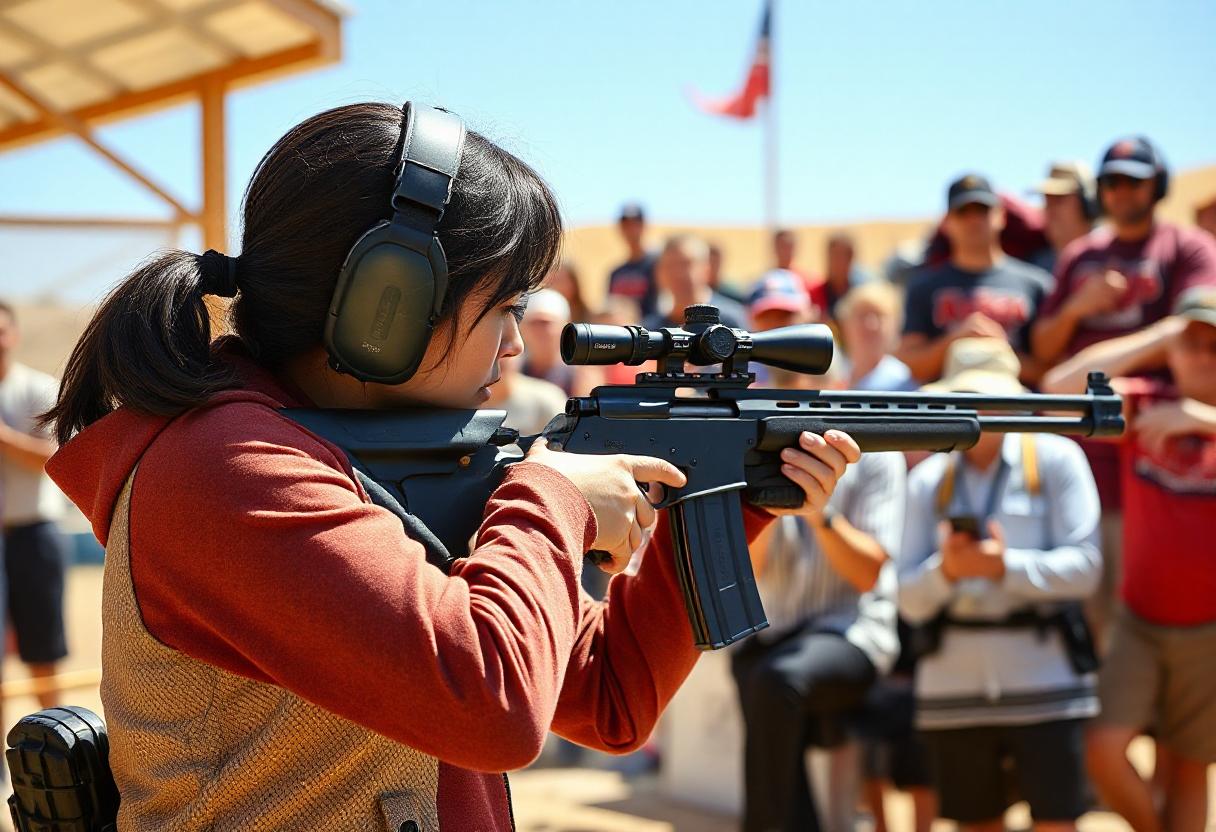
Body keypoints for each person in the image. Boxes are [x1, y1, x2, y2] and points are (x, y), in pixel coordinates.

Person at [40, 102, 860, 831]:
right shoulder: (225, 471)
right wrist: (548, 498)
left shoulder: (349, 461)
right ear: (384, 305)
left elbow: (611, 696)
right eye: (502, 308)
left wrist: (730, 497)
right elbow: (491, 704)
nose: (512, 344)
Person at [898, 338, 1102, 832]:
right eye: (964, 399)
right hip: (954, 687)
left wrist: (1001, 566)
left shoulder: (1057, 459)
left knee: (1056, 821)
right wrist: (947, 572)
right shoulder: (928, 480)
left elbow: (1087, 569)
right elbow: (904, 599)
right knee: (976, 823)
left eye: (988, 398)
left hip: (1047, 680)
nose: (978, 412)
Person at [731, 281, 905, 832]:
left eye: (808, 371)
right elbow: (752, 572)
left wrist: (816, 512)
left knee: (776, 679)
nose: (795, 379)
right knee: (754, 668)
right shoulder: (753, 442)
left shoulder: (872, 450)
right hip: (779, 633)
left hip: (853, 634)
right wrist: (761, 498)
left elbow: (869, 571)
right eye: (783, 375)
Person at [1043, 286, 1216, 832]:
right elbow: (1058, 388)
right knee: (1104, 747)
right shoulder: (1144, 402)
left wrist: (1201, 419)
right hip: (1138, 621)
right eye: (1192, 343)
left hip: (1210, 629)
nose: (1203, 355)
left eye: (1215, 344)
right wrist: (1160, 336)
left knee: (1190, 767)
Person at [1031, 137, 1216, 642]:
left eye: (1134, 180)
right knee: (1091, 618)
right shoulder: (1080, 256)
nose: (1121, 191)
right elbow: (1046, 349)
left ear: (1158, 185)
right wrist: (1079, 308)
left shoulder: (1188, 248)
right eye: (1111, 181)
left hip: (1155, 452)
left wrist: (1114, 365)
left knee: (1150, 616)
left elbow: (1192, 340)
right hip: (1083, 458)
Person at [896, 174, 1054, 385]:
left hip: (1016, 407)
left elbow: (1051, 369)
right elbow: (910, 365)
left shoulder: (1036, 285)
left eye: (982, 210)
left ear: (1001, 216)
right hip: (948, 407)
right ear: (946, 222)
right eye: (963, 212)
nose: (973, 220)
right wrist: (956, 340)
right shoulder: (923, 287)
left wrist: (999, 350)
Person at [0, 303, 70, 725]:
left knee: (43, 651)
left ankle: (58, 749)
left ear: (14, 335)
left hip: (34, 535)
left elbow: (55, 458)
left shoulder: (39, 389)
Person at [644, 234, 747, 330]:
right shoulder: (652, 330)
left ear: (706, 269)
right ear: (658, 274)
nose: (677, 274)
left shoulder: (732, 323)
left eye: (685, 264)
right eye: (670, 266)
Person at [836, 282, 916, 392]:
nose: (870, 325)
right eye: (862, 315)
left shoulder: (900, 381)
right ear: (845, 323)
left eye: (879, 315)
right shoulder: (834, 372)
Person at [519, 288, 600, 395]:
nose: (539, 331)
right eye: (533, 323)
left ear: (564, 328)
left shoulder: (581, 376)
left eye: (545, 323)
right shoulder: (510, 369)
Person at [1033, 161, 1098, 273]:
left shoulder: (1110, 256)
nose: (1050, 210)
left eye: (1059, 200)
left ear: (1087, 204)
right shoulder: (1035, 265)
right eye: (1047, 200)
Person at [606, 202, 659, 317]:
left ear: (644, 226)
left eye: (636, 224)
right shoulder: (616, 273)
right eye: (626, 225)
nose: (631, 230)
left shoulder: (658, 264)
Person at [819, 232, 872, 322]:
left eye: (845, 256)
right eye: (835, 256)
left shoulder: (863, 293)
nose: (840, 262)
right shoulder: (816, 294)